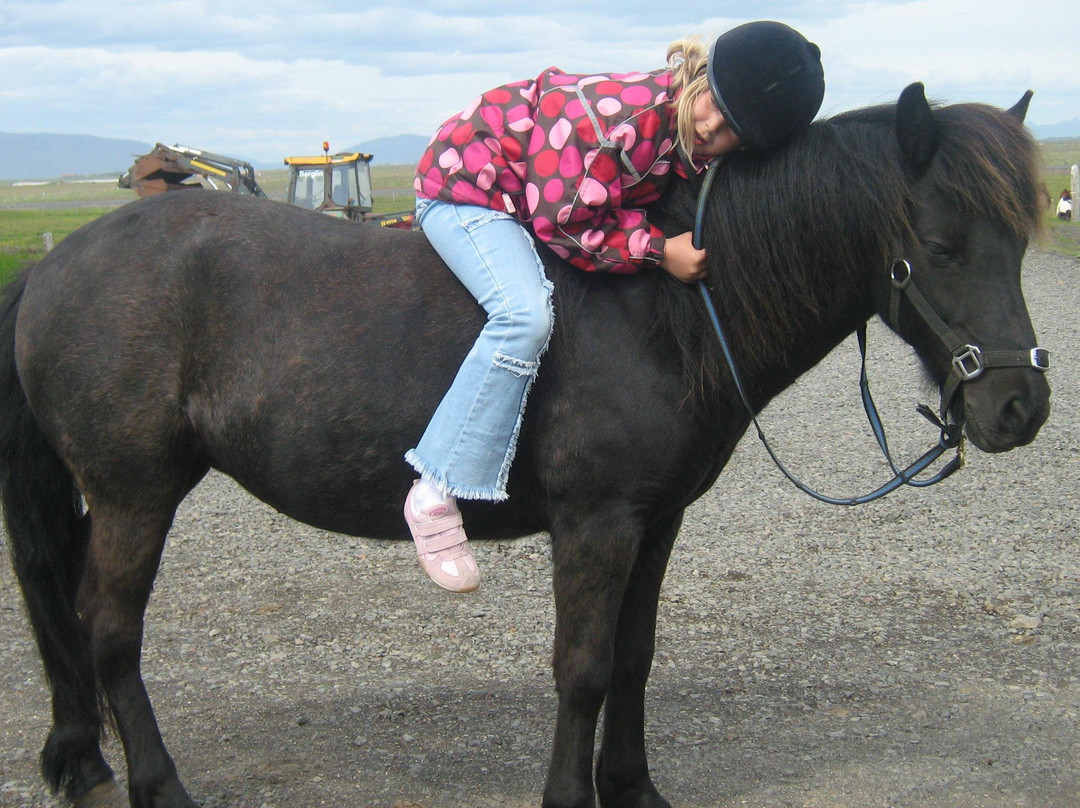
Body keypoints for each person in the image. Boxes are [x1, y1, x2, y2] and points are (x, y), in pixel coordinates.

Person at [405, 20, 826, 592]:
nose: (710, 126)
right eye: (713, 104)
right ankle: (435, 488)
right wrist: (658, 251)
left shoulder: (682, 132)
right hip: (467, 190)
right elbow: (563, 223)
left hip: (523, 192)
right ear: (699, 78)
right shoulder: (616, 123)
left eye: (732, 132)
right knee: (523, 317)